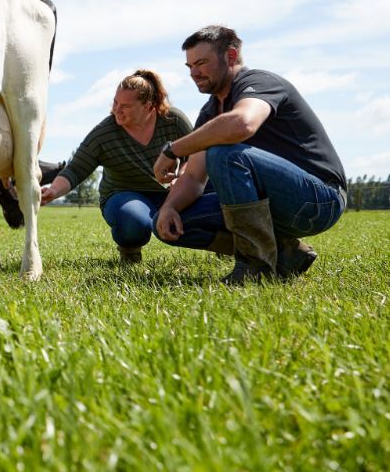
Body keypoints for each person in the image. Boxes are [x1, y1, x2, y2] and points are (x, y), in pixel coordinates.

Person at [152, 25, 347, 283]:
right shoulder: (210, 112)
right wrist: (168, 208)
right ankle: (284, 254)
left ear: (231, 57)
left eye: (201, 63)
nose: (194, 73)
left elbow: (243, 124)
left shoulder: (259, 83)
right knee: (173, 220)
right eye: (189, 67)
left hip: (318, 200)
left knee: (224, 153)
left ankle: (255, 267)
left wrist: (173, 149)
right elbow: (194, 177)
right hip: (272, 203)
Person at [40, 70, 212, 264]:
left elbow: (195, 155)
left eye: (125, 106)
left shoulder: (173, 120)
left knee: (214, 183)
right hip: (124, 194)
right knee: (133, 221)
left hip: (169, 192)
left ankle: (228, 244)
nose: (116, 110)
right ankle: (130, 250)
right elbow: (76, 169)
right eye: (115, 103)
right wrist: (53, 191)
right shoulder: (104, 133)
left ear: (148, 106)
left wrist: (181, 175)